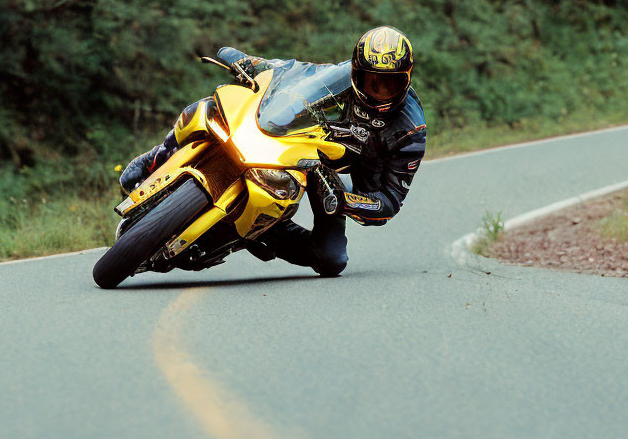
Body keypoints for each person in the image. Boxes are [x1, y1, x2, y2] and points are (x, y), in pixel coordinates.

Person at [118, 26, 426, 277]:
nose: (379, 91)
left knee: (331, 260)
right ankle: (159, 155)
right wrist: (249, 62)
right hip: (305, 143)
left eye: (390, 84)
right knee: (211, 107)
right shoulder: (342, 76)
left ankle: (268, 230)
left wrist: (347, 199)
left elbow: (390, 201)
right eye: (371, 82)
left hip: (339, 171)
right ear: (356, 72)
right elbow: (294, 72)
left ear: (407, 79)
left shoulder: (410, 132)